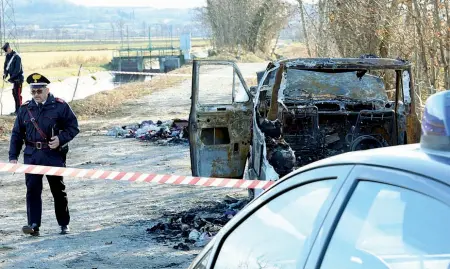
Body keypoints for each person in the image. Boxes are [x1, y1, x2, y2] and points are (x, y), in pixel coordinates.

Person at [8, 73, 79, 236]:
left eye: (39, 91)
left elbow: (73, 127)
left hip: (52, 155)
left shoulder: (60, 106)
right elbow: (17, 134)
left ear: (47, 89)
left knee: (58, 190)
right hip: (32, 155)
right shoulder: (25, 109)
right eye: (33, 92)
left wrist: (60, 139)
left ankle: (64, 224)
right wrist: (13, 157)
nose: (36, 95)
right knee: (32, 190)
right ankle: (33, 225)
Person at [2, 42, 24, 115]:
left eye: (6, 50)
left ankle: (20, 111)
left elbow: (17, 70)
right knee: (14, 94)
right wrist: (5, 74)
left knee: (18, 95)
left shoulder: (17, 57)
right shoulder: (8, 56)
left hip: (18, 79)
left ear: (9, 48)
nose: (6, 51)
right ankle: (16, 110)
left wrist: (11, 78)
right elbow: (6, 67)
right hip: (13, 80)